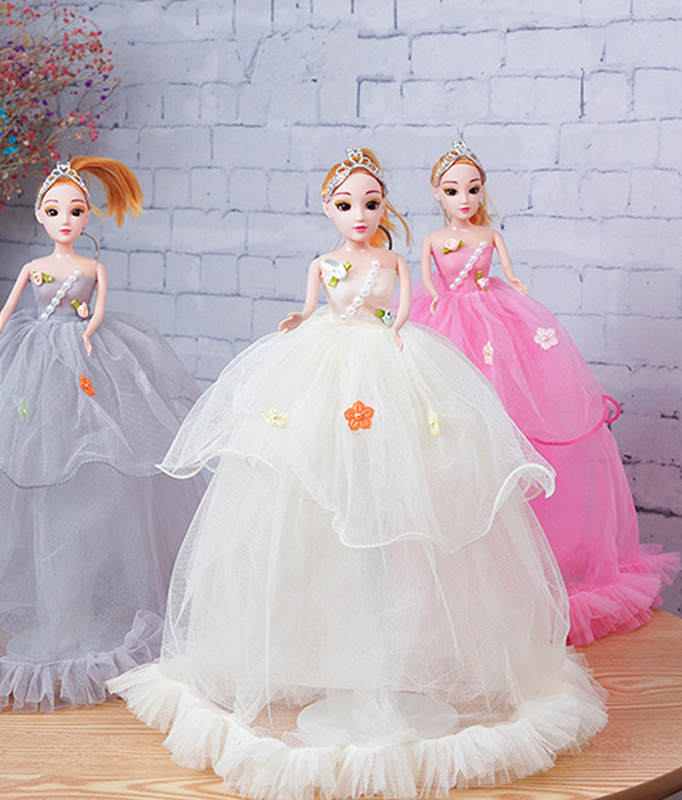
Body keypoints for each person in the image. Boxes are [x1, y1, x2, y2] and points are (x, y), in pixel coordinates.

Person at [109, 149, 606, 800]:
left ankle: (388, 670)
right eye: (346, 204)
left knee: (404, 487)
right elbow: (312, 307)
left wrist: (397, 332)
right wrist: (298, 321)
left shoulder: (394, 261)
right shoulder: (324, 263)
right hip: (325, 364)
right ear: (328, 208)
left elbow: (405, 309)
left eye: (371, 203)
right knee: (323, 494)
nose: (360, 214)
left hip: (392, 362)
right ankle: (357, 663)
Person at [0, 157, 204, 711]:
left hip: (87, 357)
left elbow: (96, 313)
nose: (65, 220)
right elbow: (10, 309)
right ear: (39, 214)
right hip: (33, 358)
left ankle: (76, 602)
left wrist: (89, 334)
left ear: (87, 216)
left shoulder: (92, 267)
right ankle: (56, 605)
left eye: (75, 211)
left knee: (96, 461)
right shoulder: (34, 267)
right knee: (32, 459)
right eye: (54, 211)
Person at [407, 140, 679, 646]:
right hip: (445, 322)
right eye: (453, 190)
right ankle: (449, 572)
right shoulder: (432, 240)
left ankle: (517, 568)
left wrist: (514, 286)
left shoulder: (489, 234)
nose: (464, 198)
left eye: (472, 189)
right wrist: (433, 307)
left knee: (515, 416)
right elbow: (427, 280)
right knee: (446, 427)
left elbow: (507, 273)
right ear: (438, 194)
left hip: (496, 321)